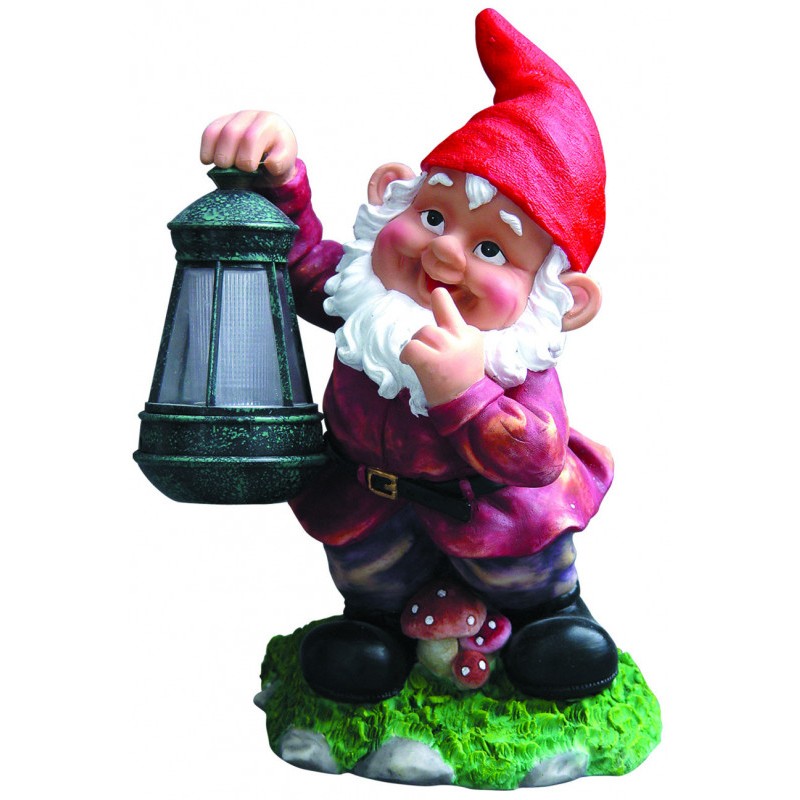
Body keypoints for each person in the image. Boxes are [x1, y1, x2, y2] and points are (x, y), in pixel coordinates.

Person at [200, 9, 618, 704]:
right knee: (371, 583)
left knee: (529, 576)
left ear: (563, 300)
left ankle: (552, 622)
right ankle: (373, 634)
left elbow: (537, 457)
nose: (444, 253)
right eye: (431, 216)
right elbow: (296, 262)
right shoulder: (365, 300)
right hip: (369, 507)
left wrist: (467, 392)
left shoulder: (515, 360)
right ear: (389, 194)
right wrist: (278, 178)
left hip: (495, 522)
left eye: (492, 249)